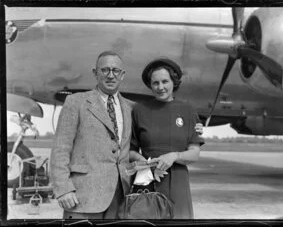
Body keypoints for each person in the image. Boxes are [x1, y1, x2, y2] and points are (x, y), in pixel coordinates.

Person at [50, 51, 136, 219]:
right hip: (82, 198)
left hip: (119, 199)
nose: (110, 75)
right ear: (95, 73)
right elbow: (61, 148)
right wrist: (63, 189)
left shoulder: (131, 108)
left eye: (115, 71)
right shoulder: (76, 102)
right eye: (105, 70)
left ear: (122, 75)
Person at [129, 58, 205, 219]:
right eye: (155, 83)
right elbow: (130, 151)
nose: (160, 87)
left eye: (165, 81)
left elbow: (194, 154)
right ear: (150, 85)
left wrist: (174, 156)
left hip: (178, 183)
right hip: (148, 182)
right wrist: (148, 165)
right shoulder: (139, 111)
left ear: (174, 82)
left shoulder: (188, 110)